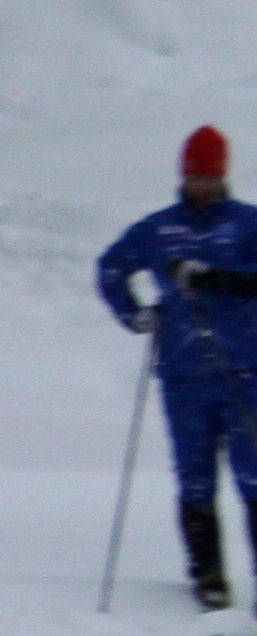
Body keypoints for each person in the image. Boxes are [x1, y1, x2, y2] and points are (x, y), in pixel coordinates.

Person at [97, 125, 257, 609]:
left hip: (245, 370)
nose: (201, 184)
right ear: (182, 175)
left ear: (223, 174)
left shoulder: (246, 224)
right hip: (183, 376)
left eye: (209, 176)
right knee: (195, 477)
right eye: (194, 176)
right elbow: (110, 268)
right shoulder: (158, 229)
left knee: (253, 475)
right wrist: (135, 315)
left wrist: (210, 278)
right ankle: (208, 577)